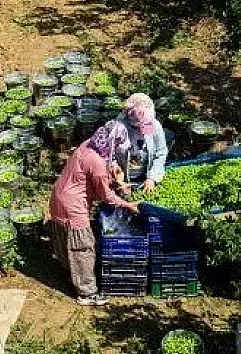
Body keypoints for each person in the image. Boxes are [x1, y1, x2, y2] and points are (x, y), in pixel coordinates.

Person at [48, 120, 139, 306]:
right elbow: (105, 196)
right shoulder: (97, 162)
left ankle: (72, 274)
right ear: (113, 143)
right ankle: (87, 293)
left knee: (67, 241)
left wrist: (114, 177)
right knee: (84, 247)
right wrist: (128, 204)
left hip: (58, 197)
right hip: (73, 207)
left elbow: (94, 175)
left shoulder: (89, 144)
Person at [114, 93, 169, 192]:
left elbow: (161, 152)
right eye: (139, 126)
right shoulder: (119, 127)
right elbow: (107, 152)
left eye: (146, 125)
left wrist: (152, 178)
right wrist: (115, 169)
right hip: (123, 179)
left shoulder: (154, 125)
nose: (143, 129)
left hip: (145, 177)